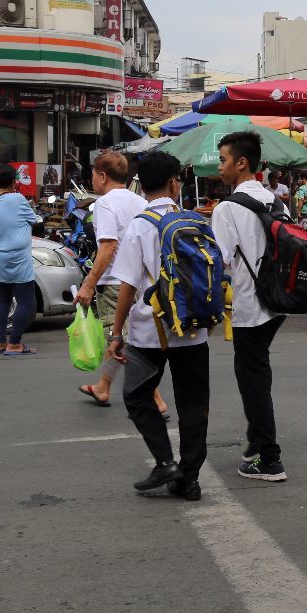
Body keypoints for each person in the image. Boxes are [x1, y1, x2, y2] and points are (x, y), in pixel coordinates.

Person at [106, 152, 209, 501]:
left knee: (136, 396)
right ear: (174, 183)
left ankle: (165, 460)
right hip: (194, 328)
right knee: (194, 404)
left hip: (151, 331)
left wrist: (115, 333)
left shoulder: (139, 225)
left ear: (141, 184)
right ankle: (189, 478)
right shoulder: (194, 220)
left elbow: (127, 286)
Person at [212, 131, 288, 482]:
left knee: (253, 380)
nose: (220, 167)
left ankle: (269, 459)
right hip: (278, 302)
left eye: (224, 160)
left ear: (242, 163)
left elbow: (221, 261)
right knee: (258, 373)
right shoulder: (277, 202)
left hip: (248, 304)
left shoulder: (227, 208)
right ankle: (257, 444)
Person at [76, 151, 167, 414]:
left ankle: (156, 398)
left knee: (121, 340)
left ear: (102, 176)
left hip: (116, 281)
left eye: (92, 175)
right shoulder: (139, 201)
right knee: (121, 337)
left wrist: (89, 283)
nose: (91, 180)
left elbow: (107, 246)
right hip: (140, 282)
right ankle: (103, 386)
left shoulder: (104, 204)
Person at [0, 163, 41, 355]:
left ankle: (0, 342)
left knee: (3, 298)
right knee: (26, 300)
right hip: (17, 257)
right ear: (13, 182)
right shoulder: (18, 199)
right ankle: (15, 343)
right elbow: (35, 220)